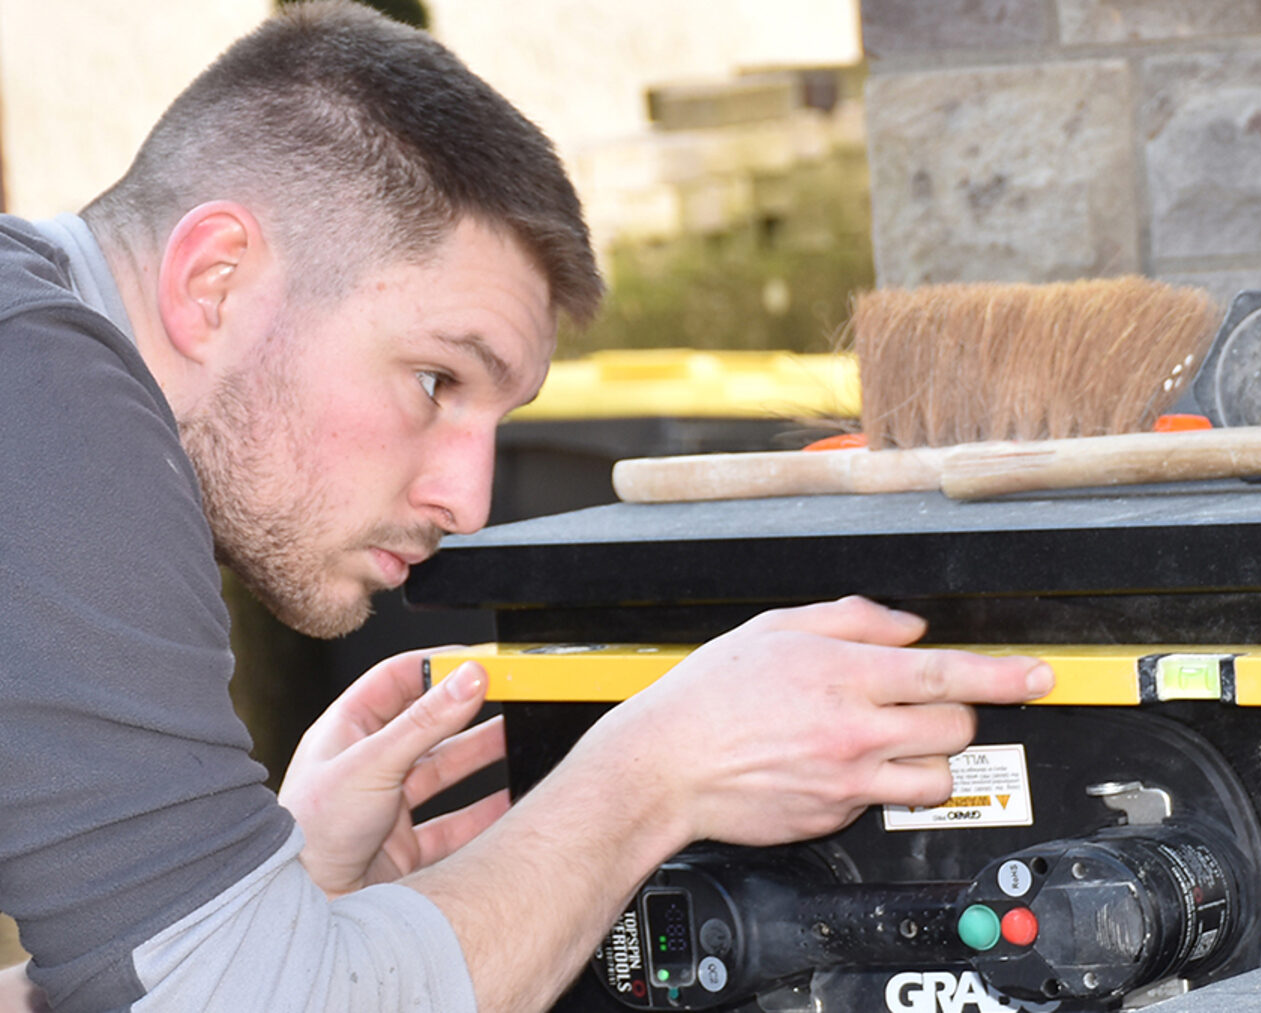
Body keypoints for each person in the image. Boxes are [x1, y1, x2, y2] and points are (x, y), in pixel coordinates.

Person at [0, 3, 1054, 1011]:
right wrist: (655, 772)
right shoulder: (44, 388)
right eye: (433, 381)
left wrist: (275, 891)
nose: (464, 498)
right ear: (214, 279)